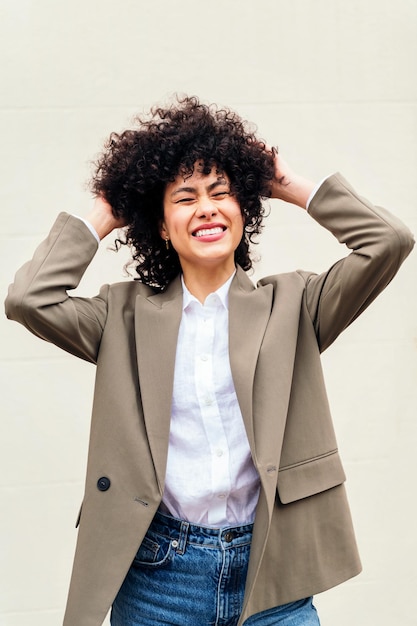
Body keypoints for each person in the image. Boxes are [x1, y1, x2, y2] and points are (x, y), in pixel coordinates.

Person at [5, 95, 414, 626]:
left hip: (271, 576)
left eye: (222, 193)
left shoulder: (294, 305)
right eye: (185, 197)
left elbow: (388, 241)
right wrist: (106, 210)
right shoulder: (121, 317)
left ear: (244, 209)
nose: (206, 208)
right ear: (159, 225)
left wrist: (291, 185)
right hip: (157, 579)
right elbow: (28, 299)